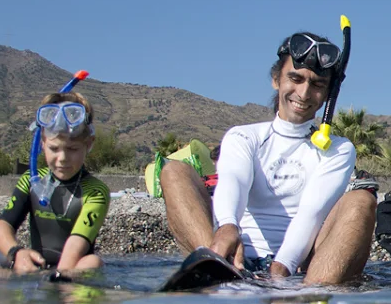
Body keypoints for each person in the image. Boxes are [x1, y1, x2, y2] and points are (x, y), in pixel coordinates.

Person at [161, 32, 378, 284]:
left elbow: (311, 212)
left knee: (362, 200)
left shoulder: (339, 149)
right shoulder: (244, 136)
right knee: (173, 171)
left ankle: (311, 293)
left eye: (317, 85)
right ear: (276, 79)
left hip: (302, 268)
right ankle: (214, 263)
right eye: (295, 78)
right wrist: (228, 227)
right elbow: (234, 182)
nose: (304, 93)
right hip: (236, 257)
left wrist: (281, 268)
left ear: (328, 93)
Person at [0, 92, 111, 276]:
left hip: (70, 268)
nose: (63, 159)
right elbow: (3, 225)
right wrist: (16, 253)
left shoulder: (95, 191)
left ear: (89, 144)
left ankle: (66, 295)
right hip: (33, 265)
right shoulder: (31, 180)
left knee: (92, 262)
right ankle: (2, 292)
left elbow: (76, 244)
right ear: (42, 142)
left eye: (73, 149)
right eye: (54, 148)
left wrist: (55, 279)